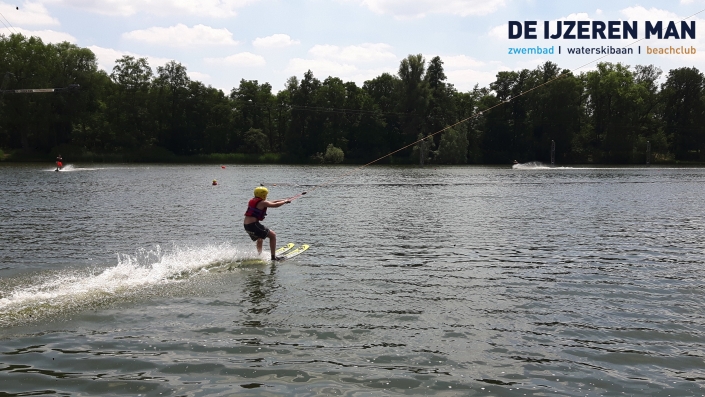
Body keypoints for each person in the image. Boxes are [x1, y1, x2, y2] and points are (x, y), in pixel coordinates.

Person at [244, 186, 290, 260]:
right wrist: (284, 202)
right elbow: (275, 205)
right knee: (273, 236)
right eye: (266, 194)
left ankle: (259, 255)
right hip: (253, 225)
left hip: (247, 225)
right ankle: (273, 257)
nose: (266, 196)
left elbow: (272, 201)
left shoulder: (254, 200)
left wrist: (284, 200)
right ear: (263, 194)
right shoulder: (262, 202)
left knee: (260, 238)